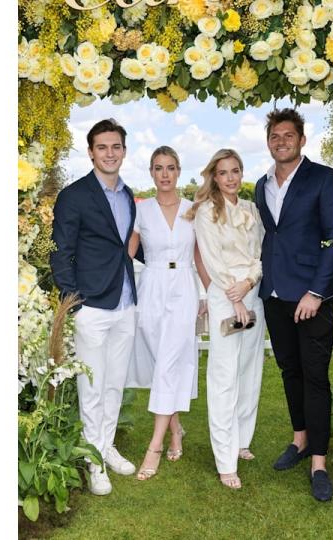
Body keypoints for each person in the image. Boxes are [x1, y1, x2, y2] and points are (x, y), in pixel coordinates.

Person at [253, 108, 333, 501]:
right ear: (269, 141)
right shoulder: (261, 185)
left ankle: (320, 463)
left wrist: (316, 292)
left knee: (314, 376)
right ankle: (300, 440)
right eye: (275, 136)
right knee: (290, 370)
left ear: (302, 140)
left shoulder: (325, 179)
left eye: (288, 135)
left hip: (311, 296)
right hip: (275, 295)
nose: (281, 141)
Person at [50, 118, 139, 496]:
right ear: (91, 152)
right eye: (102, 147)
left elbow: (124, 247)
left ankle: (106, 445)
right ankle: (93, 458)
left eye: (116, 146)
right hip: (92, 306)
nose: (109, 153)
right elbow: (61, 253)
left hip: (125, 302)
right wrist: (75, 303)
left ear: (123, 150)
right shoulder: (74, 195)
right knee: (93, 385)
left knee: (115, 382)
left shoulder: (128, 194)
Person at [184, 148, 265, 490]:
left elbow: (261, 254)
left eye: (235, 171)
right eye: (223, 172)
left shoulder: (250, 209)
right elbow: (213, 261)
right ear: (213, 177)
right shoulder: (205, 211)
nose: (230, 178)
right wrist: (236, 298)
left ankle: (242, 439)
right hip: (224, 297)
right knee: (224, 375)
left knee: (250, 370)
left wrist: (250, 284)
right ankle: (224, 459)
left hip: (252, 293)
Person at [124, 146, 203, 481]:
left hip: (185, 285)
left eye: (171, 167)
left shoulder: (193, 210)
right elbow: (126, 256)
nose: (165, 174)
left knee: (171, 360)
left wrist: (207, 294)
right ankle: (176, 429)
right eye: (159, 168)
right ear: (152, 173)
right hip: (152, 286)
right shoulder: (141, 212)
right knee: (161, 362)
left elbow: (201, 255)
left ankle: (154, 446)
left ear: (179, 170)